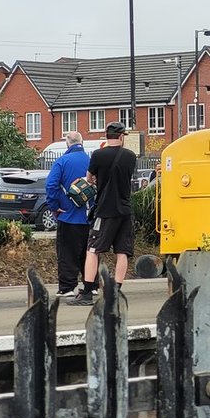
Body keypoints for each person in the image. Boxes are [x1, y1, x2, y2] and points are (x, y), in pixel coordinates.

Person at [69, 122, 137, 306]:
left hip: (104, 210)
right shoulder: (130, 156)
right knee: (122, 251)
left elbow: (89, 178)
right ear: (121, 137)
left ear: (107, 136)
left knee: (93, 250)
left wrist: (97, 179)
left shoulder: (98, 155)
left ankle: (88, 292)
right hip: (125, 210)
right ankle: (116, 290)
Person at [45, 132, 91, 297]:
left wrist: (54, 206)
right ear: (81, 142)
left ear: (67, 143)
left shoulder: (62, 161)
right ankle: (91, 285)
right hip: (89, 216)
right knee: (89, 253)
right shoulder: (91, 161)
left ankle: (67, 287)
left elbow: (51, 185)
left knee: (67, 254)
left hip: (68, 216)